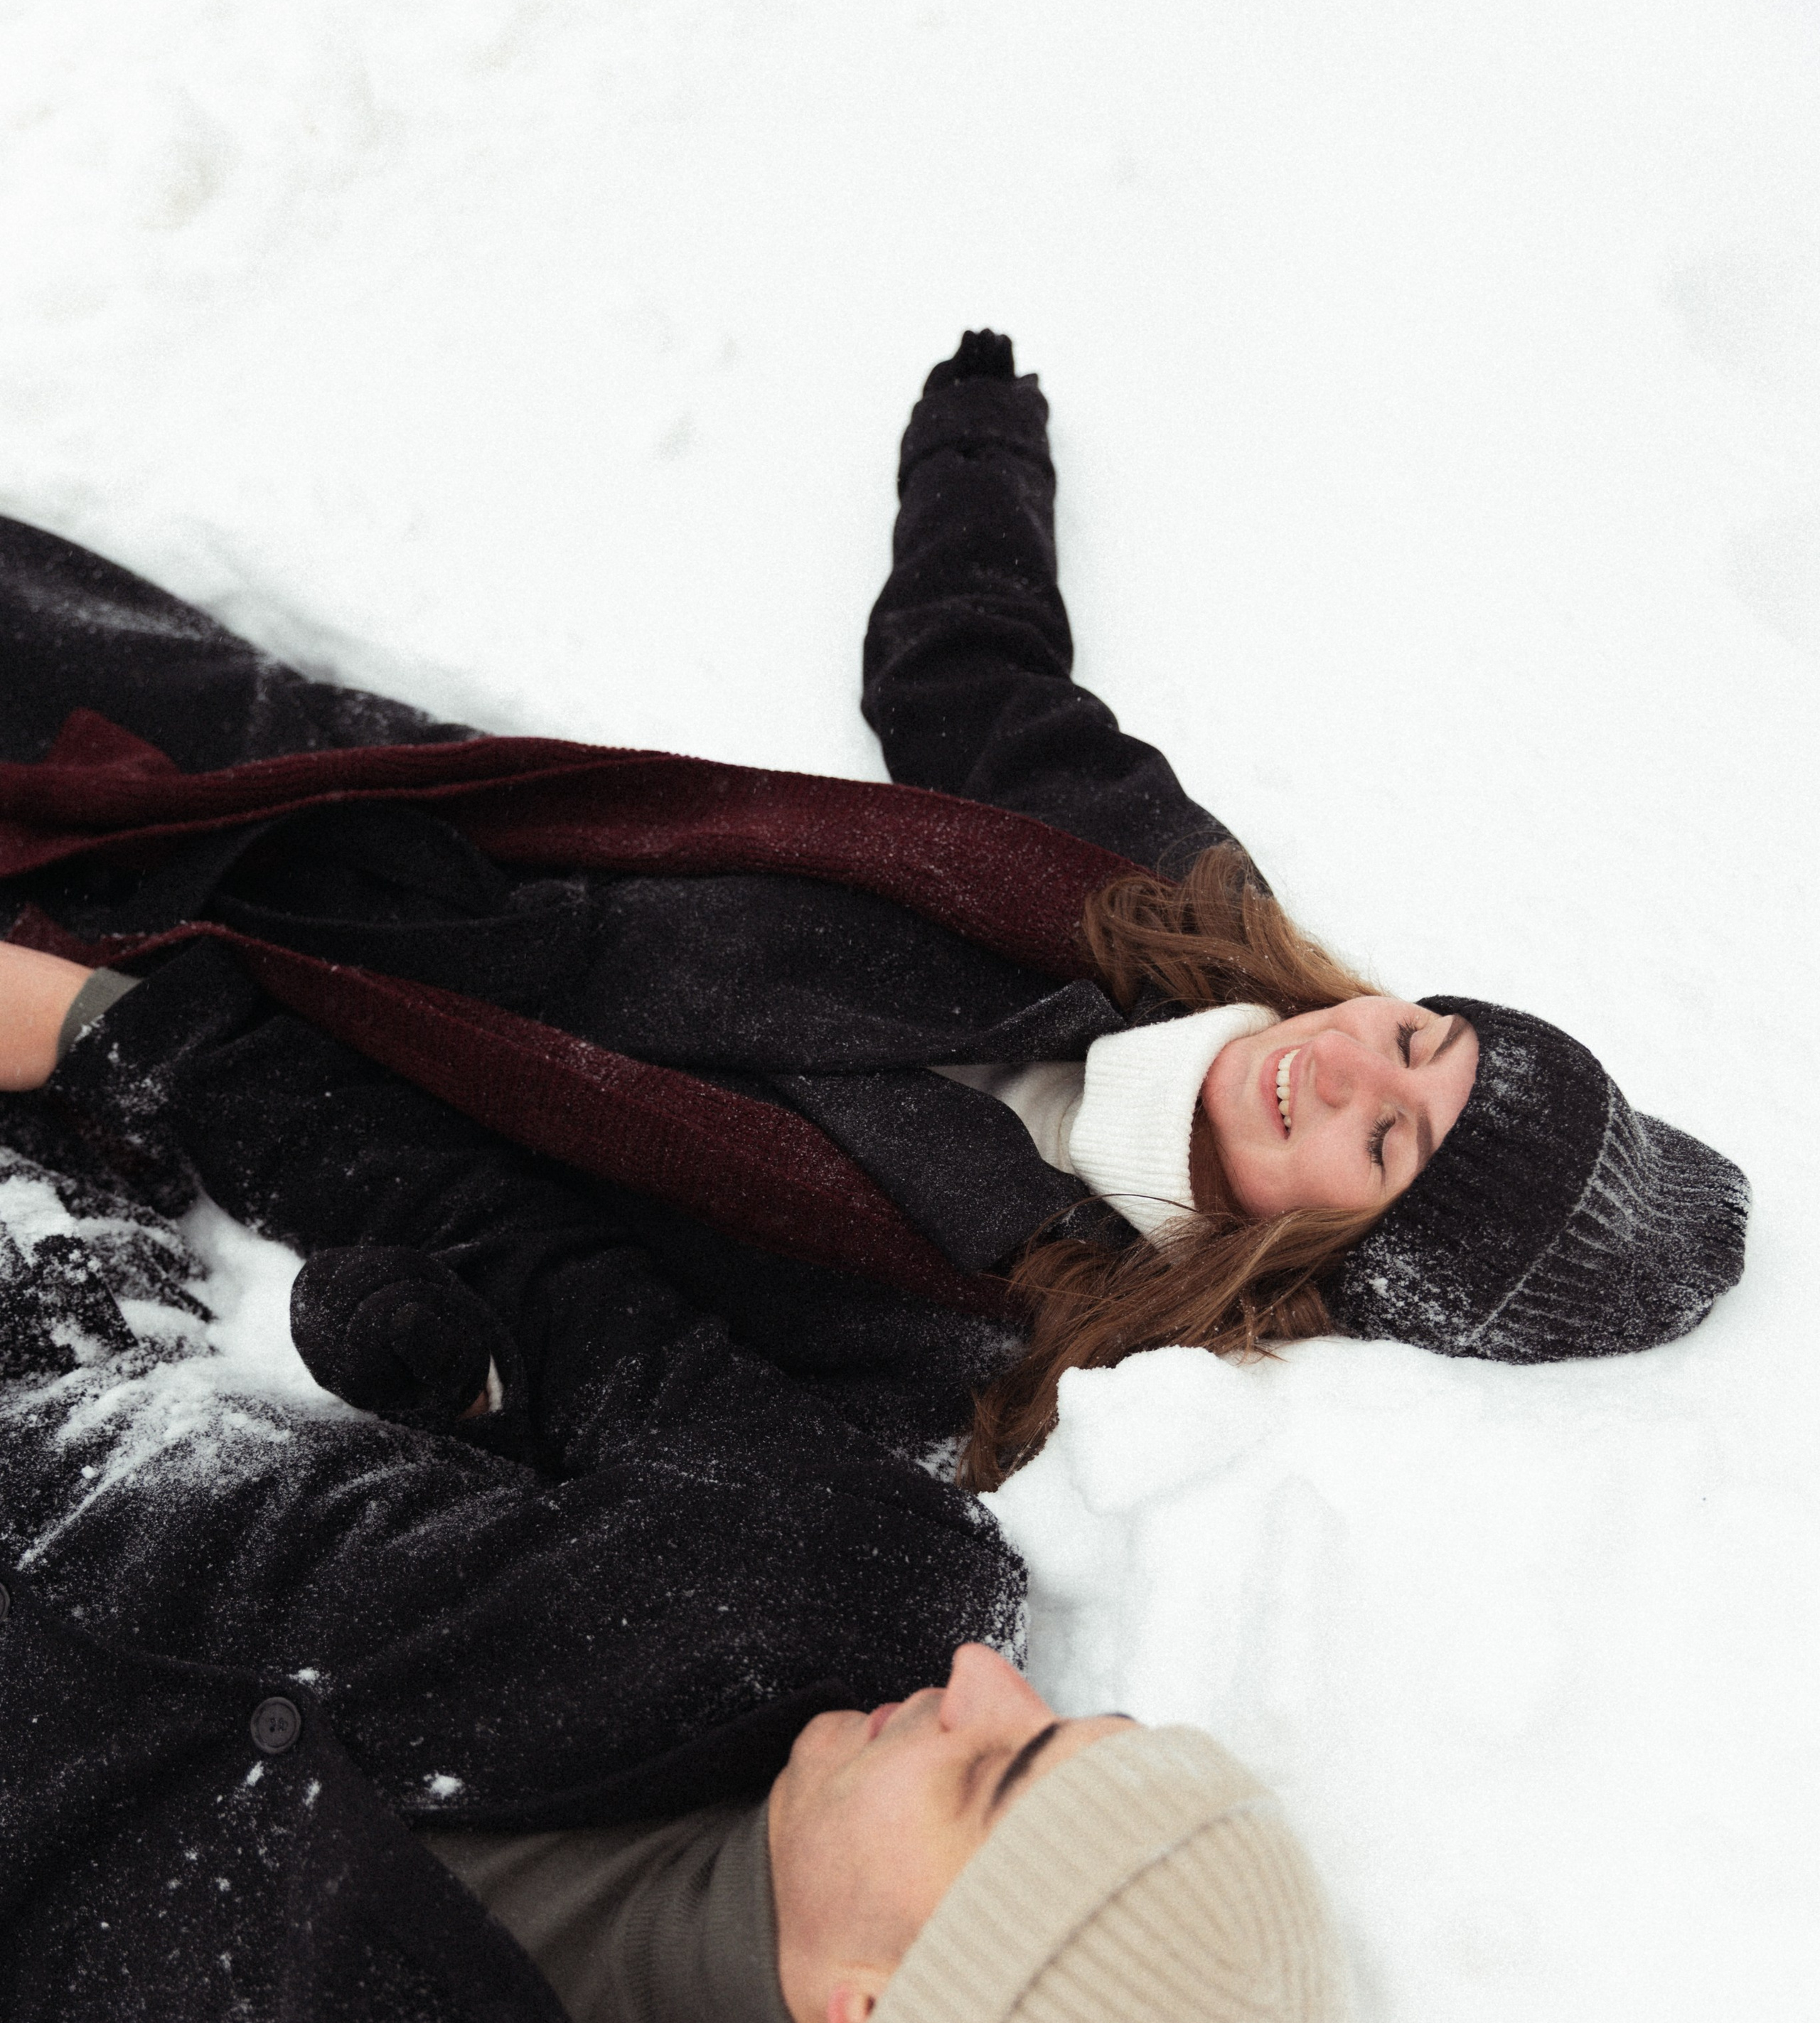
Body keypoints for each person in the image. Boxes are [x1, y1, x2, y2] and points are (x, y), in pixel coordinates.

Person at [0, 939, 1351, 2023]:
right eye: (1055, 1717)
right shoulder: (849, 1587)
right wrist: (104, 1028)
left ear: (869, 2015)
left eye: (995, 1772)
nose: (986, 1684)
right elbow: (503, 1243)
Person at [0, 330, 1750, 1503]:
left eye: (1385, 1146)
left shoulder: (1002, 1335)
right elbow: (977, 684)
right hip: (384, 801)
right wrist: (980, 455)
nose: (1349, 1073)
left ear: (1335, 1254)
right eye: (1419, 1041)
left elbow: (609, 1367)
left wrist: (440, 1355)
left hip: (274, 1027)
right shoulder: (1162, 910)